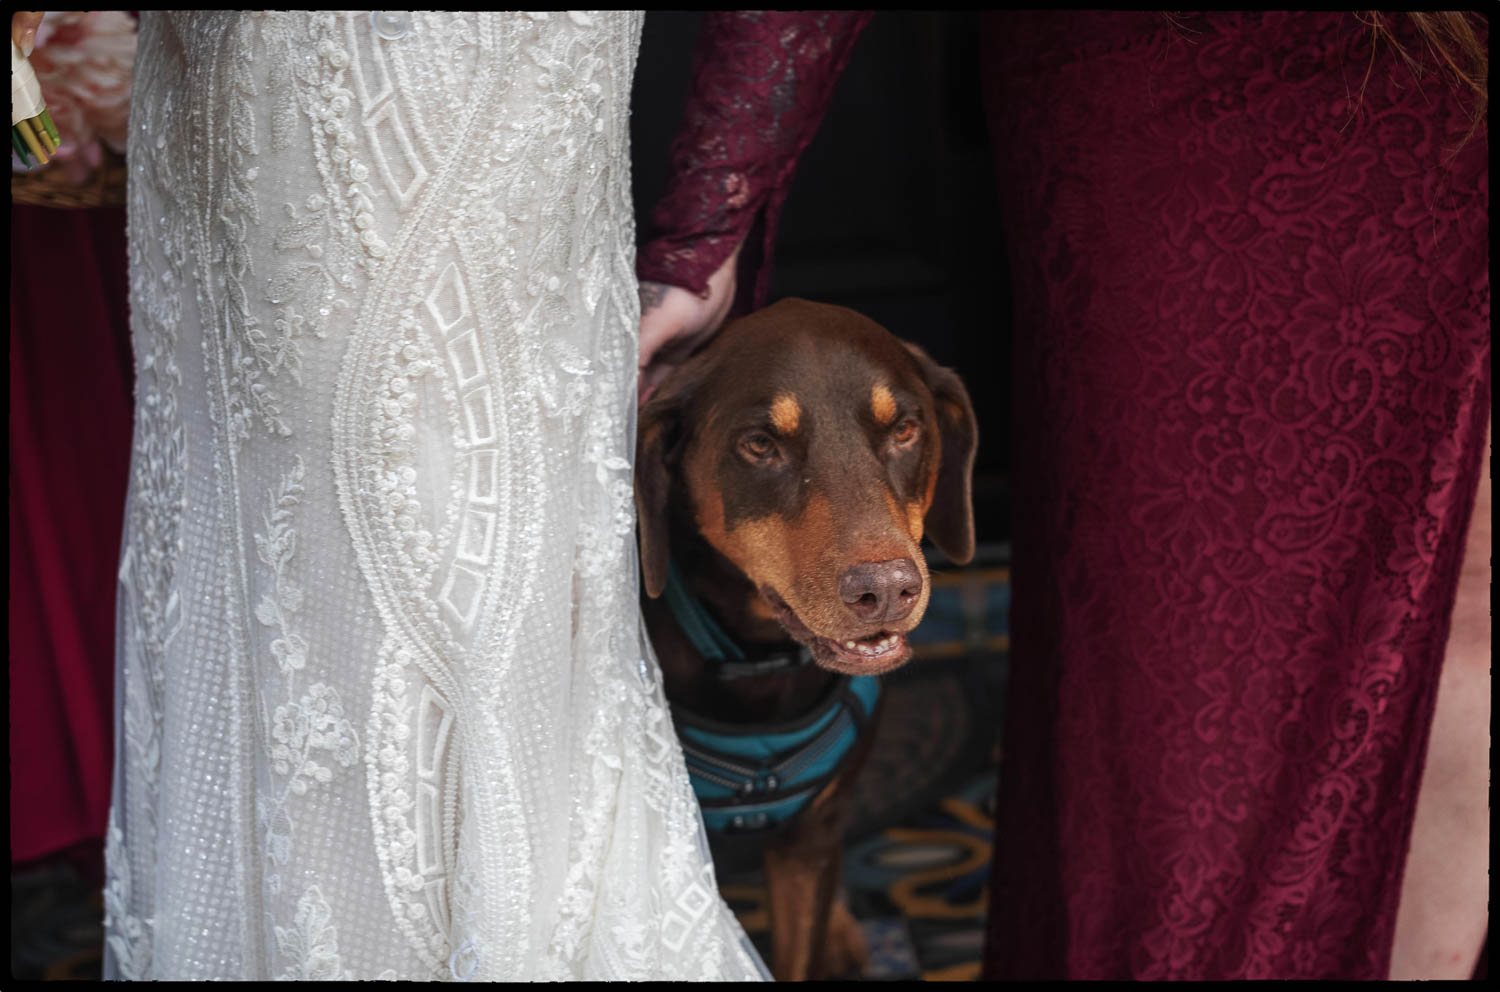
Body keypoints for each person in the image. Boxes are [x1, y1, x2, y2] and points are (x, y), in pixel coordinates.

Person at [5, 9, 863, 980]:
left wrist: (712, 206)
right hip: (233, 91)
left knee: (453, 544)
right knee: (279, 561)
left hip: (474, 72)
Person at [975, 11, 1489, 980]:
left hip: (1446, 71)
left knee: (1464, 590)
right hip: (1156, 67)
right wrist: (723, 191)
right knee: (1174, 639)